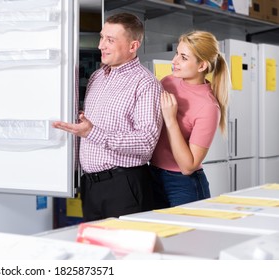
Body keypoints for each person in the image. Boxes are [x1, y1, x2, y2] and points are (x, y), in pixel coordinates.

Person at [52, 13, 163, 221]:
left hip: (124, 186)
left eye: (110, 40)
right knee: (96, 250)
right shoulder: (97, 76)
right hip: (91, 186)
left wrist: (92, 132)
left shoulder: (146, 83)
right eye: (102, 37)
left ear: (133, 46)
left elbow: (146, 142)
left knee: (126, 250)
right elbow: (99, 121)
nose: (101, 45)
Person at [150, 30, 230, 207]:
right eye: (177, 53)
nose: (174, 61)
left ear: (202, 66)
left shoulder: (209, 107)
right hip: (152, 175)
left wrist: (171, 120)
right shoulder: (168, 82)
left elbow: (188, 166)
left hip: (183, 186)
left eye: (183, 57)